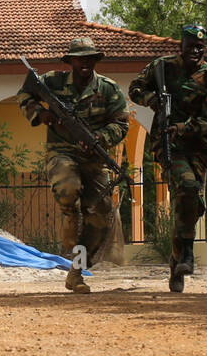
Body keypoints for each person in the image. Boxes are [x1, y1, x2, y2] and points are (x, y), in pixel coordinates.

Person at [18, 37, 130, 294]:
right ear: (71, 61)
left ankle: (76, 272)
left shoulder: (109, 89)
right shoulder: (51, 82)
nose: (85, 64)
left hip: (94, 158)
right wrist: (40, 114)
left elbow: (122, 124)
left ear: (95, 61)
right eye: (80, 58)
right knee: (69, 189)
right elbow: (24, 93)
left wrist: (102, 137)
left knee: (101, 216)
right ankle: (70, 219)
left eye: (89, 59)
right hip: (62, 152)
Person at [128, 24, 207, 293]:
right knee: (186, 188)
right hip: (168, 144)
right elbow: (134, 88)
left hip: (198, 147)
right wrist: (153, 99)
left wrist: (184, 127)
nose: (195, 50)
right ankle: (187, 256)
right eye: (190, 45)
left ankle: (176, 259)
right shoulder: (161, 67)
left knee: (194, 205)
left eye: (200, 47)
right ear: (180, 46)